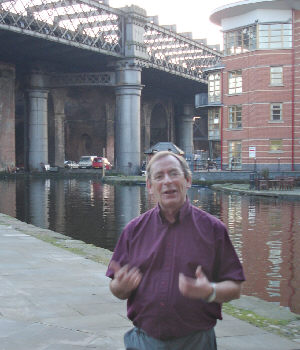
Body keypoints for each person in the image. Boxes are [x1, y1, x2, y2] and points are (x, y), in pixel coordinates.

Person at [106, 151, 245, 349]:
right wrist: (121, 287)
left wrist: (210, 291)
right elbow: (115, 289)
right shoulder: (133, 231)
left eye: (174, 173)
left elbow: (236, 288)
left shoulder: (213, 229)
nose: (167, 181)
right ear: (150, 186)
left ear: (188, 180)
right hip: (144, 341)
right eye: (159, 176)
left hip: (196, 342)